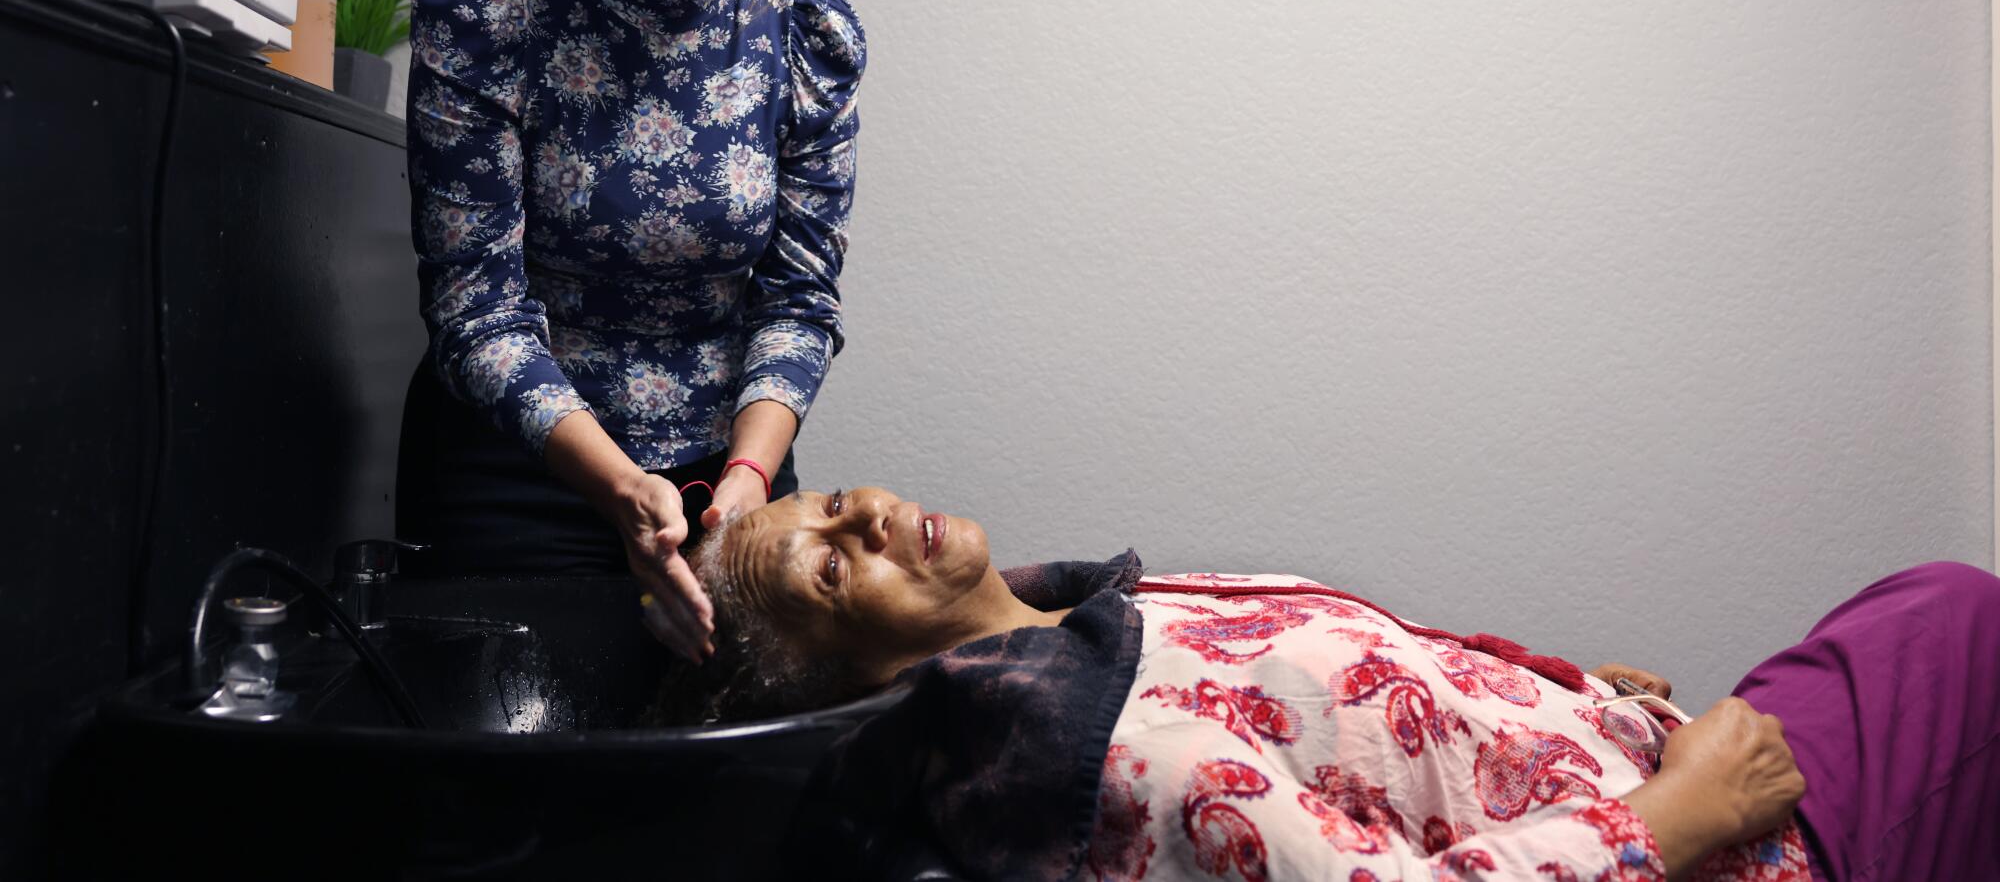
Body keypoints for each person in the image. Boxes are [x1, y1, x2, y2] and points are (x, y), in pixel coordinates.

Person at [675, 485, 2000, 882]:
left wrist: (1552, 694)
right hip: (1726, 845)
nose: (864, 530)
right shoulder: (1114, 768)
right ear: (866, 674)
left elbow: (1352, 696)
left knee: (1939, 607)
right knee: (1961, 623)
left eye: (837, 508)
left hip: (1641, 747)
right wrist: (1679, 816)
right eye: (834, 576)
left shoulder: (1090, 616)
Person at [398, 0, 864, 663]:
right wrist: (616, 484)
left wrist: (742, 484)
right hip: (518, 476)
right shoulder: (487, 9)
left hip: (731, 480)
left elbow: (799, 297)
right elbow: (476, 305)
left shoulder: (807, 38)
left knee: (722, 782)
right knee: (515, 791)